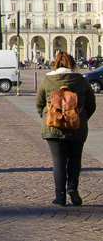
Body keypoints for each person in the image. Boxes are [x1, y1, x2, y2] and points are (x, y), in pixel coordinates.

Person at [35, 51, 96, 206]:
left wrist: (48, 117)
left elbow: (39, 103)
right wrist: (80, 119)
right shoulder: (81, 80)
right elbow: (91, 105)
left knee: (58, 160)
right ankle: (73, 187)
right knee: (75, 158)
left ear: (55, 64)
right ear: (72, 64)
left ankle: (60, 197)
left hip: (53, 126)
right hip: (77, 125)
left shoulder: (47, 80)